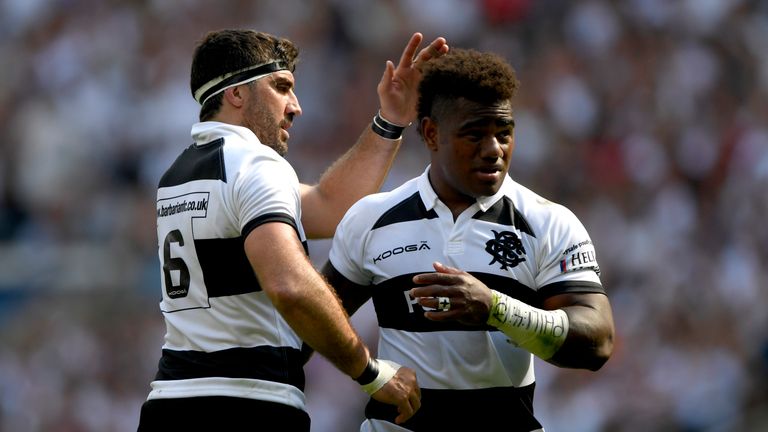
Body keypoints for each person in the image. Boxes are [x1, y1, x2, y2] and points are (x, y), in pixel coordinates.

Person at [137, 29, 449, 431]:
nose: (295, 106)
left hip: (169, 405)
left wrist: (390, 120)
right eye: (281, 87)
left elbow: (330, 207)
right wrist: (370, 372)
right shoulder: (256, 166)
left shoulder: (179, 175)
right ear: (236, 93)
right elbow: (290, 286)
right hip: (245, 405)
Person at [323, 48, 615, 431]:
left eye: (504, 133)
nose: (494, 150)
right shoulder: (372, 218)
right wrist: (371, 372)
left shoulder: (549, 222)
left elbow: (597, 342)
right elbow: (315, 319)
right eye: (474, 134)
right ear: (431, 133)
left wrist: (495, 307)